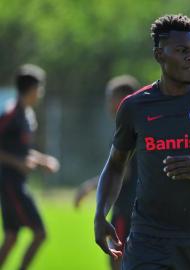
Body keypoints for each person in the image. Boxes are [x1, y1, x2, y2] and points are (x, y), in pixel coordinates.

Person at [94, 14, 190, 270]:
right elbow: (116, 165)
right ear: (159, 55)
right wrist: (100, 213)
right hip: (147, 238)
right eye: (182, 50)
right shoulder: (134, 106)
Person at [74, 74, 139, 270]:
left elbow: (124, 173)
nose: (107, 103)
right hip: (139, 209)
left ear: (122, 99)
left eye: (110, 97)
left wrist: (89, 186)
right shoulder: (140, 126)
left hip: (125, 210)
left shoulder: (128, 131)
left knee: (118, 261)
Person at [0, 64, 60, 270]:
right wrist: (17, 162)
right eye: (40, 88)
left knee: (11, 237)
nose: (41, 93)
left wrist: (43, 161)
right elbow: (16, 157)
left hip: (18, 182)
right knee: (40, 233)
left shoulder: (27, 116)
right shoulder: (10, 114)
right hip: (10, 183)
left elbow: (21, 152)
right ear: (32, 88)